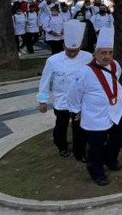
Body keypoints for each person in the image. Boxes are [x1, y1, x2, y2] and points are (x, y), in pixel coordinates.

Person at [67, 28, 122, 186]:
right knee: (96, 146)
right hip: (95, 115)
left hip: (115, 110)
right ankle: (97, 172)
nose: (107, 56)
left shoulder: (115, 66)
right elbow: (73, 93)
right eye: (103, 53)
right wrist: (77, 111)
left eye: (110, 52)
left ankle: (110, 159)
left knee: (120, 135)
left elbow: (114, 80)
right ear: (96, 54)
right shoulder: (85, 72)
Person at [37, 20, 93, 160]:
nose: (73, 53)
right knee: (60, 127)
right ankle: (61, 146)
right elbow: (45, 81)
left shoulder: (88, 57)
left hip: (80, 101)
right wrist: (42, 101)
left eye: (76, 50)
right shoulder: (53, 60)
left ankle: (79, 152)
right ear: (63, 46)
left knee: (79, 128)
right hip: (61, 101)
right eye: (69, 51)